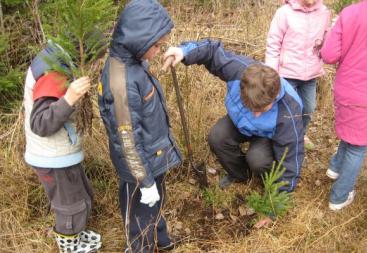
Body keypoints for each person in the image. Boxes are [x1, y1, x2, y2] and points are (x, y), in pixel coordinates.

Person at [163, 39, 304, 193]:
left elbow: (291, 157)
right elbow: (211, 51)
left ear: (274, 97)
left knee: (257, 159)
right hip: (240, 122)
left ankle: (268, 181)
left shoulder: (289, 109)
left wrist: (279, 197)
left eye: (262, 110)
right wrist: (184, 52)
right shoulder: (239, 71)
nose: (256, 115)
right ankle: (241, 175)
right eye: (251, 107)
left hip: (267, 135)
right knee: (217, 137)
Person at [97, 0, 182, 252]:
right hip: (138, 168)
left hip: (152, 157)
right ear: (138, 40)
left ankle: (161, 239)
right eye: (156, 46)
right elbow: (127, 141)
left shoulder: (133, 62)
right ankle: (140, 247)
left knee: (154, 206)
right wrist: (144, 182)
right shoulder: (120, 83)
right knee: (139, 217)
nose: (158, 50)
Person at [23, 40, 101, 253]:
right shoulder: (52, 72)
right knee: (71, 206)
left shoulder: (59, 58)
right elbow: (40, 123)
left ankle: (76, 234)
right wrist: (69, 99)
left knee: (82, 195)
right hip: (52, 156)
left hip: (62, 151)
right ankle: (69, 244)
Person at [320, 0, 367, 211]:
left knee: (352, 133)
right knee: (358, 146)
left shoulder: (350, 12)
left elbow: (328, 55)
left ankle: (335, 168)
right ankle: (339, 196)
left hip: (346, 88)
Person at [265, 0, 331, 150]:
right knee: (287, 110)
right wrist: (272, 73)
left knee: (309, 108)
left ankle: (301, 133)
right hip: (287, 73)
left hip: (310, 74)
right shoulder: (284, 13)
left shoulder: (324, 12)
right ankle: (284, 139)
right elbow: (273, 43)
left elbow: (327, 42)